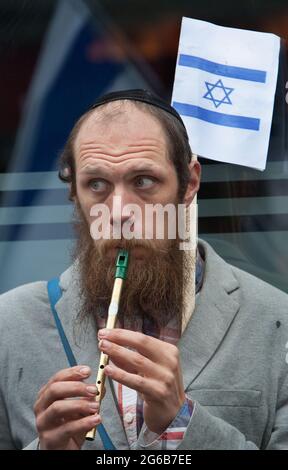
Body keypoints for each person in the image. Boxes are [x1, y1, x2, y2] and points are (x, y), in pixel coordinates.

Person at [0, 89, 287, 450]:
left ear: (190, 182)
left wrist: (183, 422)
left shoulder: (277, 321)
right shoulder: (9, 325)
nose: (119, 212)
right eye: (97, 184)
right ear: (74, 192)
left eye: (144, 181)